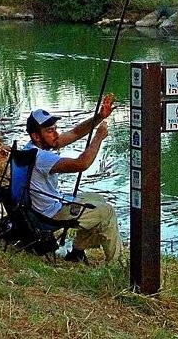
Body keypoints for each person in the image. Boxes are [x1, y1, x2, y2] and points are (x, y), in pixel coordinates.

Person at [23, 107, 122, 264]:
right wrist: (98, 138)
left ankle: (77, 252)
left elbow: (75, 133)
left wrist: (100, 116)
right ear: (36, 136)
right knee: (106, 211)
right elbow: (82, 163)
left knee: (98, 199)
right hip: (50, 214)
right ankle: (116, 263)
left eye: (56, 129)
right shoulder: (42, 158)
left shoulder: (30, 149)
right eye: (50, 131)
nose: (56, 134)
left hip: (45, 206)